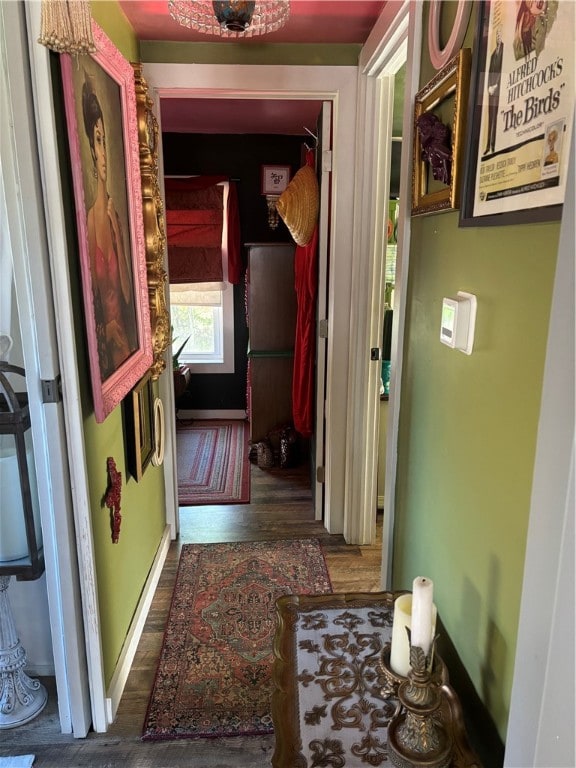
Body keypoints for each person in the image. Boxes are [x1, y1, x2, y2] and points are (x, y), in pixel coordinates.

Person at [82, 73, 137, 379]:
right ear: (91, 148)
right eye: (98, 141)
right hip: (105, 354)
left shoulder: (117, 216)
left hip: (127, 345)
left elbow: (128, 295)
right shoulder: (87, 223)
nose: (104, 154)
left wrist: (119, 236)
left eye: (105, 141)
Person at [484, 28, 503, 157]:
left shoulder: (504, 51)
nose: (498, 37)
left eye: (500, 34)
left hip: (499, 90)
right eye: (497, 35)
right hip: (491, 91)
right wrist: (489, 88)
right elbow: (488, 73)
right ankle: (487, 145)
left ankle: (493, 145)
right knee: (490, 117)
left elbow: (503, 70)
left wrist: (496, 85)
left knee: (495, 118)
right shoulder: (492, 55)